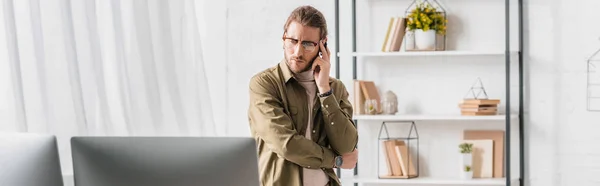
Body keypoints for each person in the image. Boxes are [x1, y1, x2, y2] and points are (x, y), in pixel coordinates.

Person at [248, 5, 359, 186]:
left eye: (308, 44)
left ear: (323, 46)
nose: (298, 52)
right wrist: (335, 161)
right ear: (283, 38)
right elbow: (286, 144)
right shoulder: (264, 84)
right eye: (292, 41)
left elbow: (346, 146)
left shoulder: (335, 88)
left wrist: (324, 90)